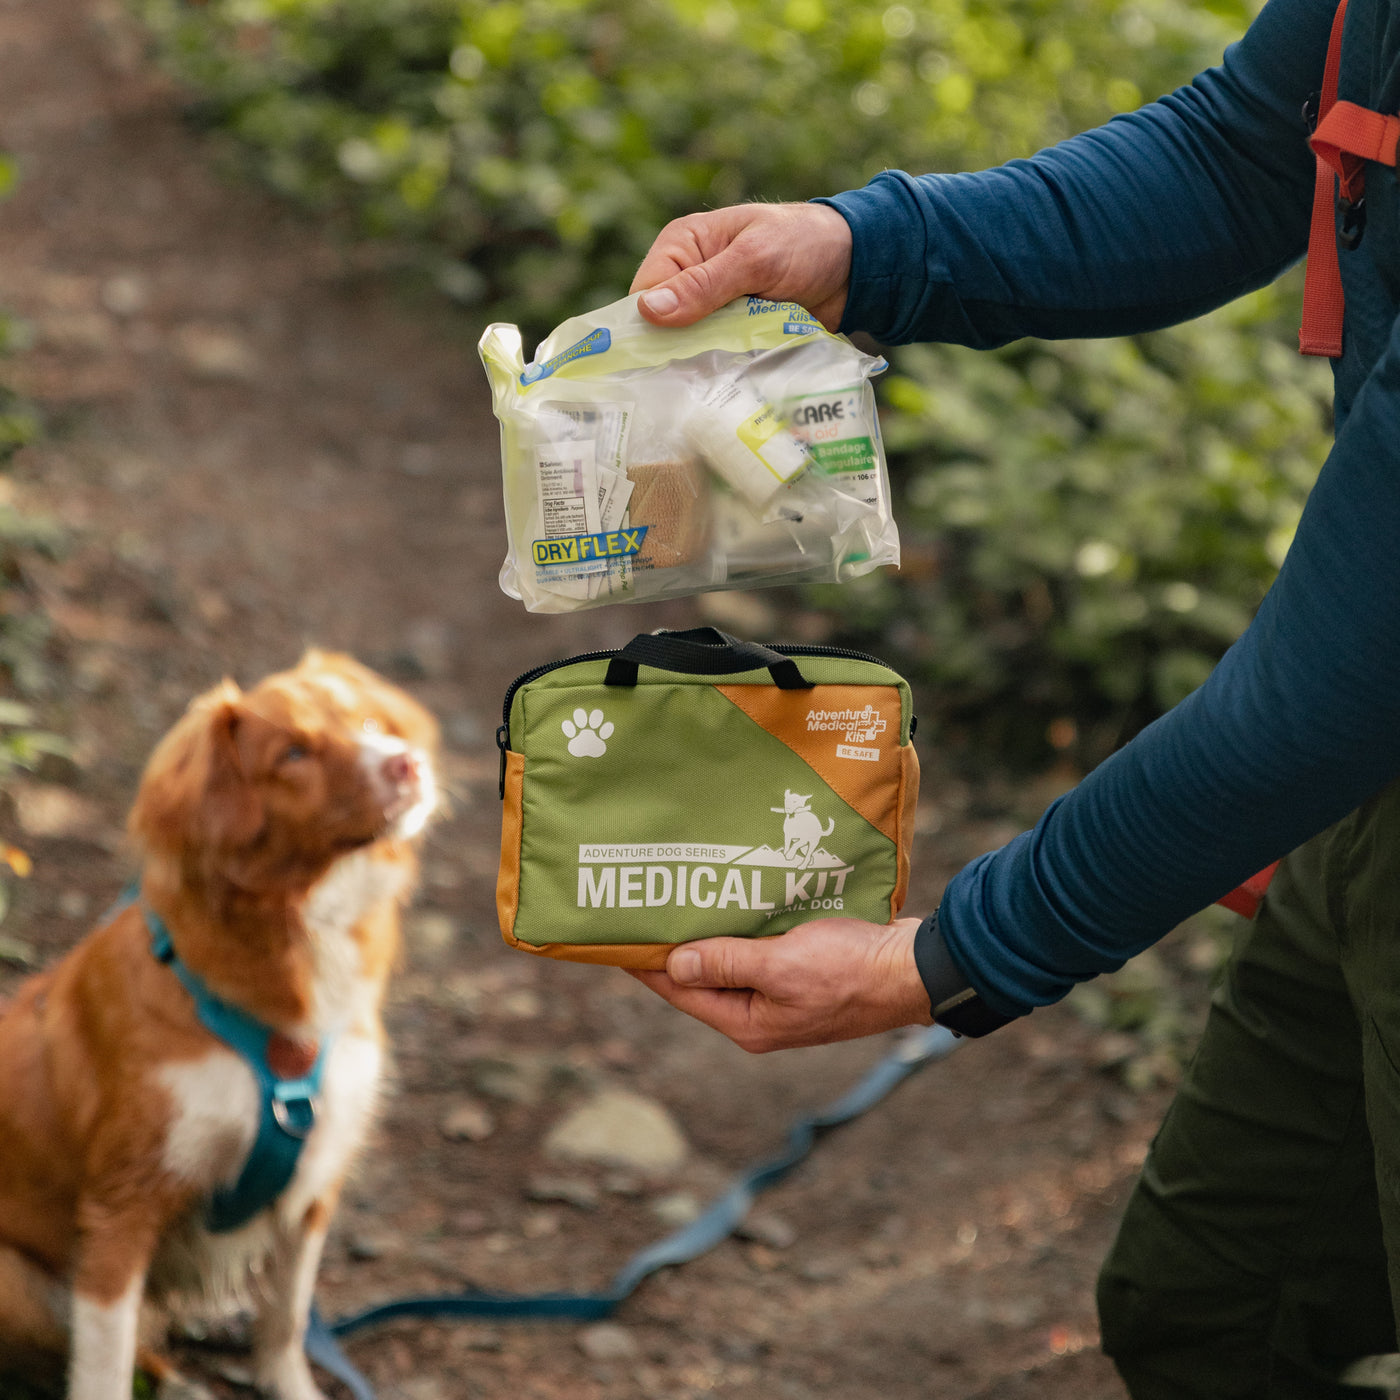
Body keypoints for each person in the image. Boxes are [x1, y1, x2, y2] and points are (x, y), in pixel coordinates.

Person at [627, 0, 1400, 1395]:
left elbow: (1328, 693)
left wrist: (947, 956)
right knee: (1212, 1313)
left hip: (1357, 723)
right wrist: (863, 249)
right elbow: (1241, 154)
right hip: (1365, 798)